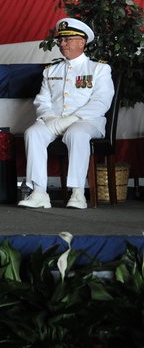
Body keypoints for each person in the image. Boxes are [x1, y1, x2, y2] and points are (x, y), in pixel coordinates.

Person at [21, 17, 114, 210]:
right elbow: (42, 100)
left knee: (76, 133)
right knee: (33, 133)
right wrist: (48, 118)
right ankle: (39, 192)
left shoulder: (98, 69)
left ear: (82, 42)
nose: (62, 44)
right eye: (60, 40)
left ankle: (77, 192)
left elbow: (101, 101)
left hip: (87, 121)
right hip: (54, 119)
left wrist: (72, 120)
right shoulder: (51, 71)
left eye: (68, 39)